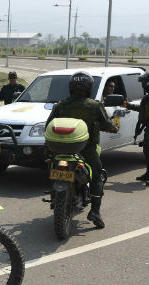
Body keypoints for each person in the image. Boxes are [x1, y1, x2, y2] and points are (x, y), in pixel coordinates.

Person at [46, 71, 118, 229]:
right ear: (89, 88)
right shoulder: (94, 106)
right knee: (97, 176)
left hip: (60, 149)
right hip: (87, 149)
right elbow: (107, 125)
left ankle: (54, 194)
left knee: (52, 164)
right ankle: (95, 211)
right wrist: (114, 128)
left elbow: (48, 126)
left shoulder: (61, 105)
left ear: (71, 87)